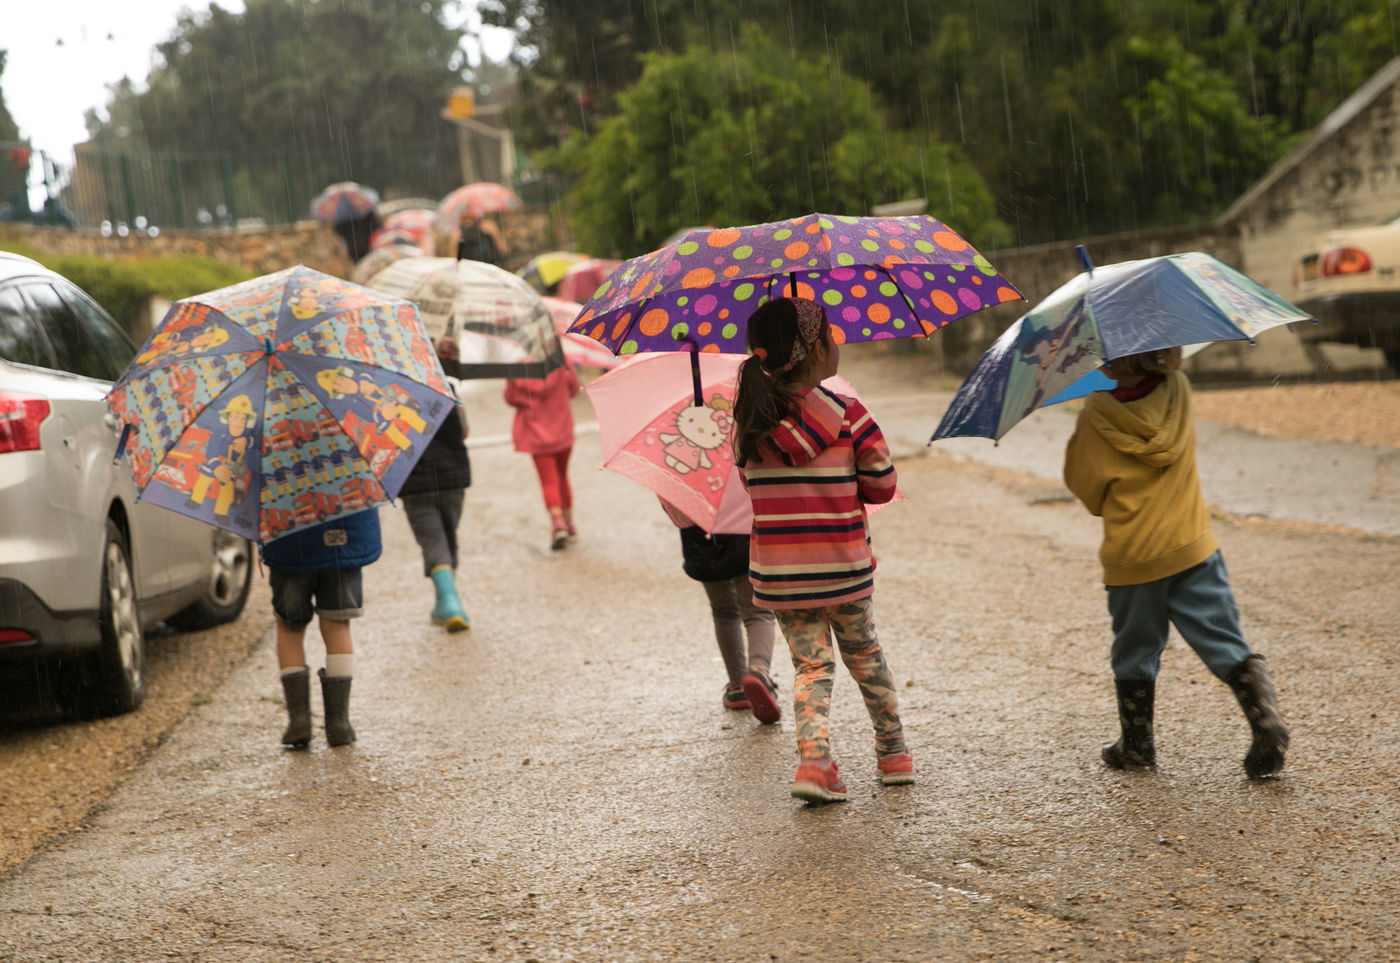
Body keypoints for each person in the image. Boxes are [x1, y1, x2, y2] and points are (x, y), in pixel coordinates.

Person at [1063, 346, 1289, 779]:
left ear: (1108, 359)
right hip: (1192, 542)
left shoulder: (1097, 411)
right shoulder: (1178, 389)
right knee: (1222, 638)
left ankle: (1137, 745)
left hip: (1135, 557)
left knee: (1136, 648)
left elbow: (1086, 486)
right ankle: (1265, 720)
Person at [732, 296, 913, 804]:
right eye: (831, 334)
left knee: (812, 668)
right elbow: (881, 487)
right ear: (815, 350)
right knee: (865, 656)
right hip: (843, 570)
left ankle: (815, 764)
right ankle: (894, 753)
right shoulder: (851, 415)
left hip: (784, 578)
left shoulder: (748, 423)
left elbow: (752, 488)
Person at [262, 509, 382, 749]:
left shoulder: (270, 469)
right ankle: (339, 723)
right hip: (342, 539)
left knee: (290, 628)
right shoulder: (351, 468)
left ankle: (299, 720)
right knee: (337, 625)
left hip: (289, 542)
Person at [659, 498, 780, 723]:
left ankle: (737, 686)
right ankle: (759, 671)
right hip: (744, 531)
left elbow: (672, 506)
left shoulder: (682, 461)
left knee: (724, 612)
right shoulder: (742, 461)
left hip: (700, 537)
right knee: (757, 611)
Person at [400, 338, 472, 633]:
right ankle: (446, 599)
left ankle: (449, 600)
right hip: (452, 475)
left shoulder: (392, 396)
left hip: (414, 479)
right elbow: (464, 431)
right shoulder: (448, 390)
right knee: (448, 536)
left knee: (432, 540)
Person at [504, 364, 580, 550]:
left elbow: (512, 398)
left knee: (548, 481)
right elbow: (573, 389)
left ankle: (557, 522)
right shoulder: (561, 361)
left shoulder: (519, 368)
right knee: (562, 477)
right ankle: (568, 522)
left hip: (536, 434)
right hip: (562, 427)